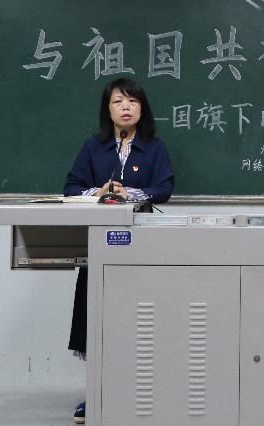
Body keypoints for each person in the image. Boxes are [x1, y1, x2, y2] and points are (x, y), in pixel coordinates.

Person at [63, 77, 174, 424]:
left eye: (132, 101)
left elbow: (164, 188)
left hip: (142, 246)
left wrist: (131, 194)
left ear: (142, 109)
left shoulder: (154, 148)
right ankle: (96, 395)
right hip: (98, 245)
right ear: (107, 110)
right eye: (117, 102)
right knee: (98, 320)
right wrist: (99, 192)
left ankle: (140, 394)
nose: (125, 107)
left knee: (138, 323)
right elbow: (70, 187)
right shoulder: (93, 148)